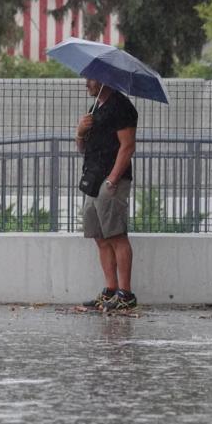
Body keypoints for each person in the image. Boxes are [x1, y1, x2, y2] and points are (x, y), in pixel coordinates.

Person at [75, 78, 138, 311]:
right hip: (92, 178)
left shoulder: (122, 107)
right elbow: (82, 148)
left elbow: (127, 146)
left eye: (91, 80)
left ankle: (126, 294)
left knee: (116, 235)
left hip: (111, 181)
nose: (86, 85)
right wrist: (80, 132)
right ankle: (110, 291)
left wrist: (113, 179)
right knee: (99, 237)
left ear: (104, 81)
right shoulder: (94, 109)